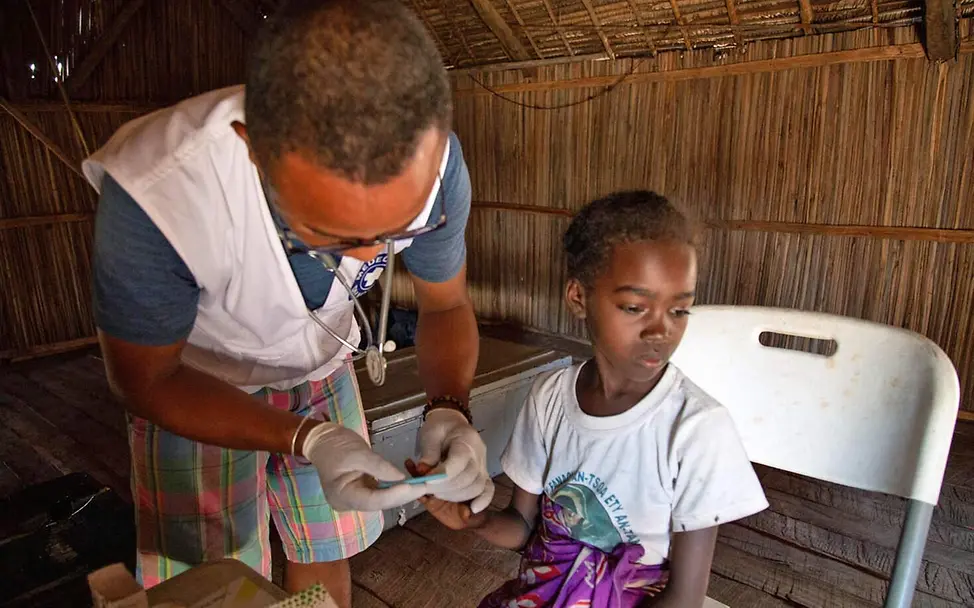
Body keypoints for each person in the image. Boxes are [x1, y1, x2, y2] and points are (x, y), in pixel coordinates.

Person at [80, 1, 493, 605]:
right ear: (255, 150)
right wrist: (309, 440)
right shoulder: (159, 193)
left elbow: (445, 306)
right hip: (196, 386)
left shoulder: (436, 166)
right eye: (338, 233)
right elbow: (146, 379)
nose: (377, 251)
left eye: (398, 225)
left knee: (324, 549)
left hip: (325, 363)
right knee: (208, 583)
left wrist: (450, 407)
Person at [412, 191, 769, 607]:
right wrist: (475, 520)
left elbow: (685, 599)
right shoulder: (550, 400)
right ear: (579, 297)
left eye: (679, 311)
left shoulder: (696, 429)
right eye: (635, 307)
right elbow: (523, 529)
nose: (660, 332)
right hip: (546, 591)